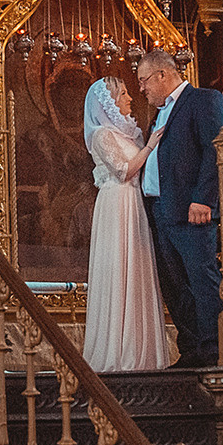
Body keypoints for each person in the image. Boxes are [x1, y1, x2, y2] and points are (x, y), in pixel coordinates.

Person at [137, 48, 223, 367]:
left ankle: (214, 349)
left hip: (192, 210)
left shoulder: (204, 100)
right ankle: (191, 350)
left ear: (163, 74)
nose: (141, 88)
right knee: (174, 284)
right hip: (160, 211)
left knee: (201, 279)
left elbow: (216, 150)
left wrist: (204, 198)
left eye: (144, 80)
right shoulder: (159, 113)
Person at [80, 76, 168, 372]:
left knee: (137, 268)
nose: (130, 98)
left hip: (135, 204)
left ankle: (142, 351)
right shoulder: (102, 135)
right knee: (119, 267)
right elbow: (123, 170)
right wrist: (150, 146)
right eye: (124, 94)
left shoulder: (131, 135)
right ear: (109, 103)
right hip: (116, 203)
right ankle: (117, 351)